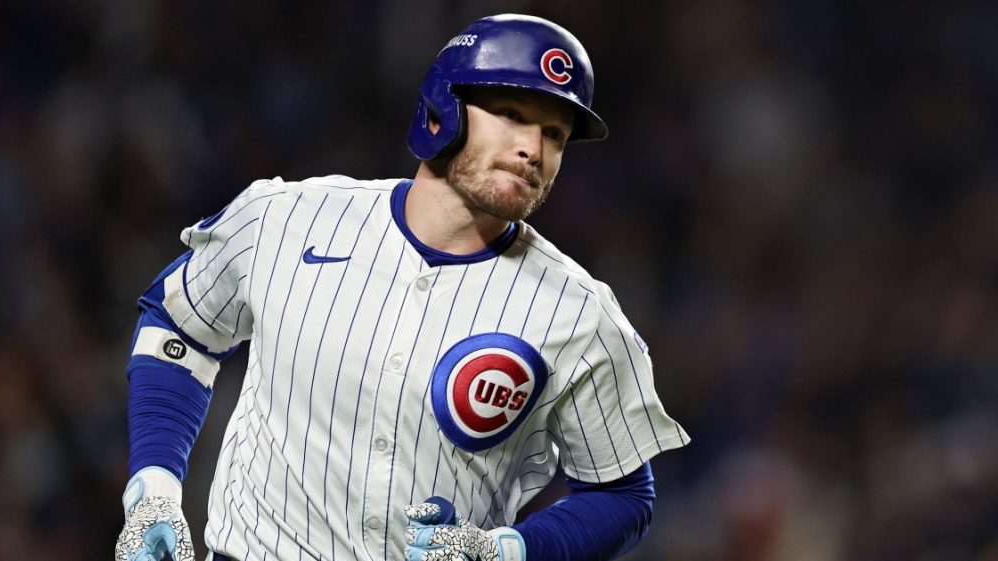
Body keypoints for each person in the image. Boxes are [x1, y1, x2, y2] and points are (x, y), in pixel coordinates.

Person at [115, 13, 690, 561]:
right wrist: (155, 487)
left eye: (555, 134)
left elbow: (623, 495)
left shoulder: (580, 314)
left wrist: (504, 551)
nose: (533, 150)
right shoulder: (286, 219)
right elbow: (180, 329)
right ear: (444, 108)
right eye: (511, 113)